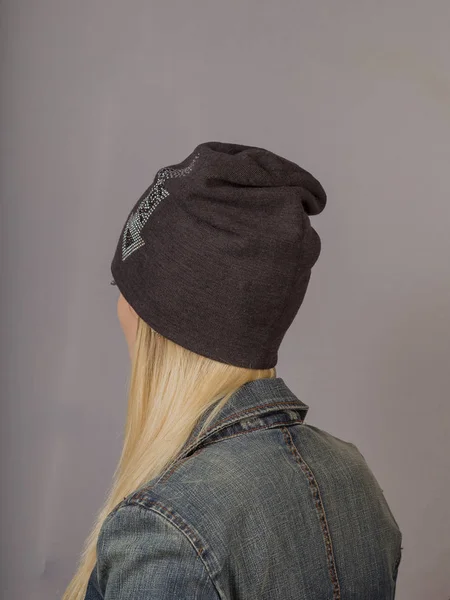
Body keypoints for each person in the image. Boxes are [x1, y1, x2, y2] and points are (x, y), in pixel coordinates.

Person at [63, 141, 402, 600]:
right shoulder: (351, 477)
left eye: (125, 287)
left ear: (159, 320)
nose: (121, 306)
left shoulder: (163, 530)